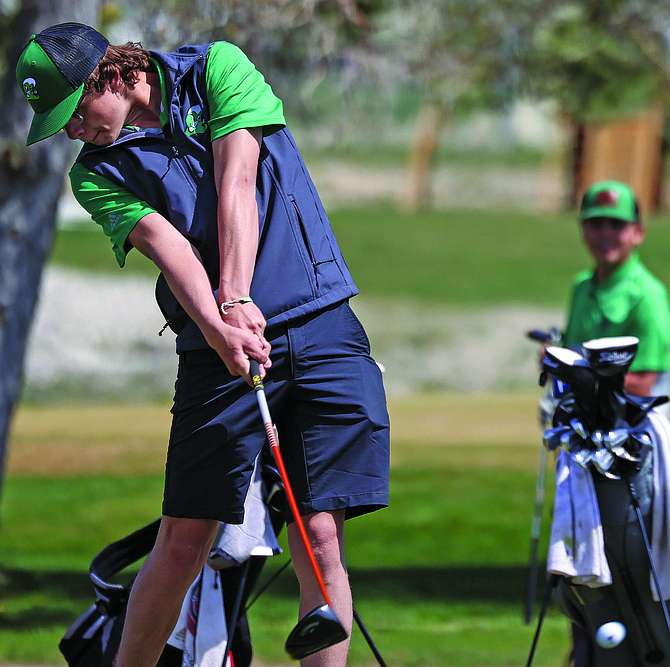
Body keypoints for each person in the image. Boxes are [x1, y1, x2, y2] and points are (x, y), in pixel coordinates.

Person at [16, 22, 390, 667]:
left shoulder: (217, 69)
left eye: (72, 112)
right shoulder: (96, 175)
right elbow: (171, 250)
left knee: (320, 534)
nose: (72, 132)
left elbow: (235, 183)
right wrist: (222, 327)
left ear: (109, 75)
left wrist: (239, 298)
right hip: (213, 353)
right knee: (184, 538)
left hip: (319, 320)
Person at [560, 179, 670, 666]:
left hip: (642, 445)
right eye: (595, 224)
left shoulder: (648, 294)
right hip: (588, 441)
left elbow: (646, 380)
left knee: (637, 559)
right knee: (581, 554)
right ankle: (585, 650)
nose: (605, 234)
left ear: (638, 234)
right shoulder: (582, 288)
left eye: (617, 226)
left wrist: (585, 377)